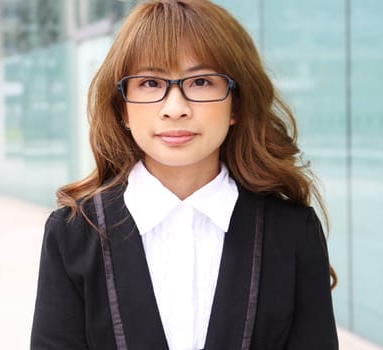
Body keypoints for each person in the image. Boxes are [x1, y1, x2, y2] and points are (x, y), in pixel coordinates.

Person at [30, 0, 338, 349]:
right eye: (149, 83)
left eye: (201, 81)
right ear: (123, 109)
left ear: (236, 104)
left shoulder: (292, 232)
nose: (175, 109)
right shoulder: (73, 233)